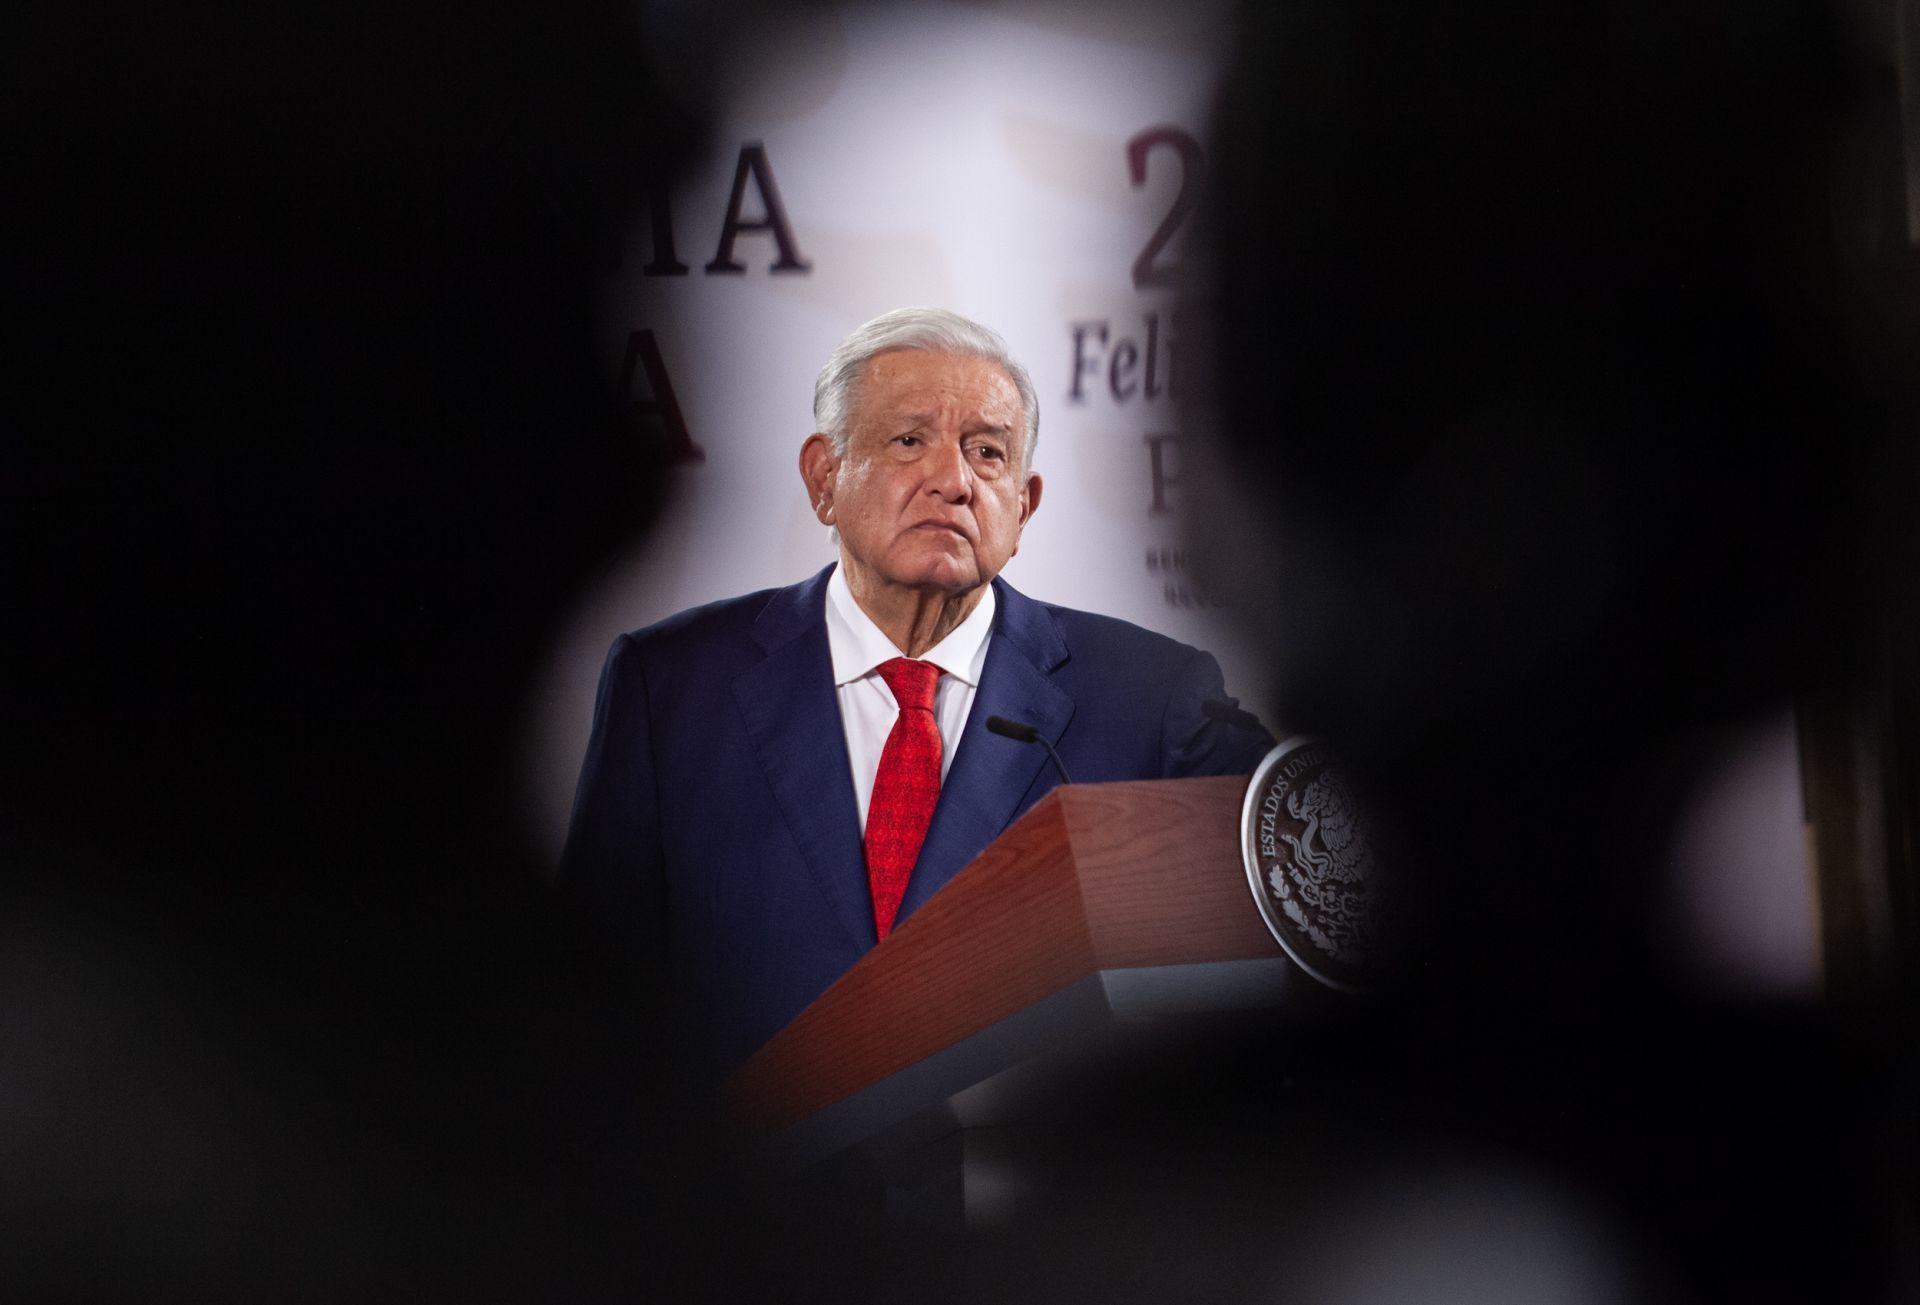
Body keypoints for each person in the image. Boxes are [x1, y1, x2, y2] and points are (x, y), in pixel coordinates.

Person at [560, 307, 1273, 1078]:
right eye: (909, 441)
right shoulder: (669, 686)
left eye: (987, 452)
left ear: (1024, 506)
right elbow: (580, 1006)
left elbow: (1316, 872)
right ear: (824, 477)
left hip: (1043, 1186)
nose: (954, 481)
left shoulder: (1151, 696)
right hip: (747, 1191)